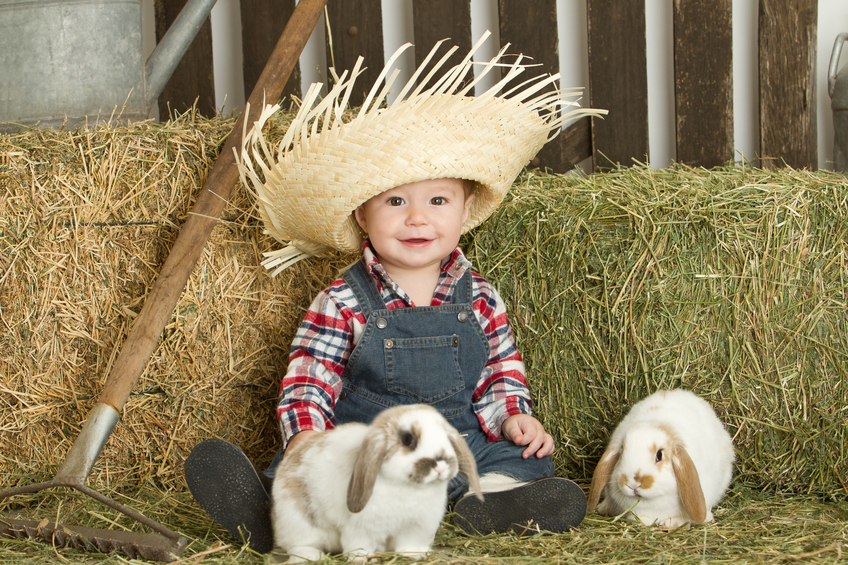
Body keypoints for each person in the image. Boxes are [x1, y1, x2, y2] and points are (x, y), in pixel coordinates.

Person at [185, 34, 604, 553]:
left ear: (465, 208)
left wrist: (513, 416)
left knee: (528, 457)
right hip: (363, 457)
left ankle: (488, 502)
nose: (417, 218)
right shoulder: (343, 300)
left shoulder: (481, 299)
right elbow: (309, 378)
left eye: (436, 199)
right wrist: (308, 438)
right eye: (395, 202)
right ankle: (270, 507)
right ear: (363, 214)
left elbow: (498, 374)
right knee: (305, 467)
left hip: (449, 451)